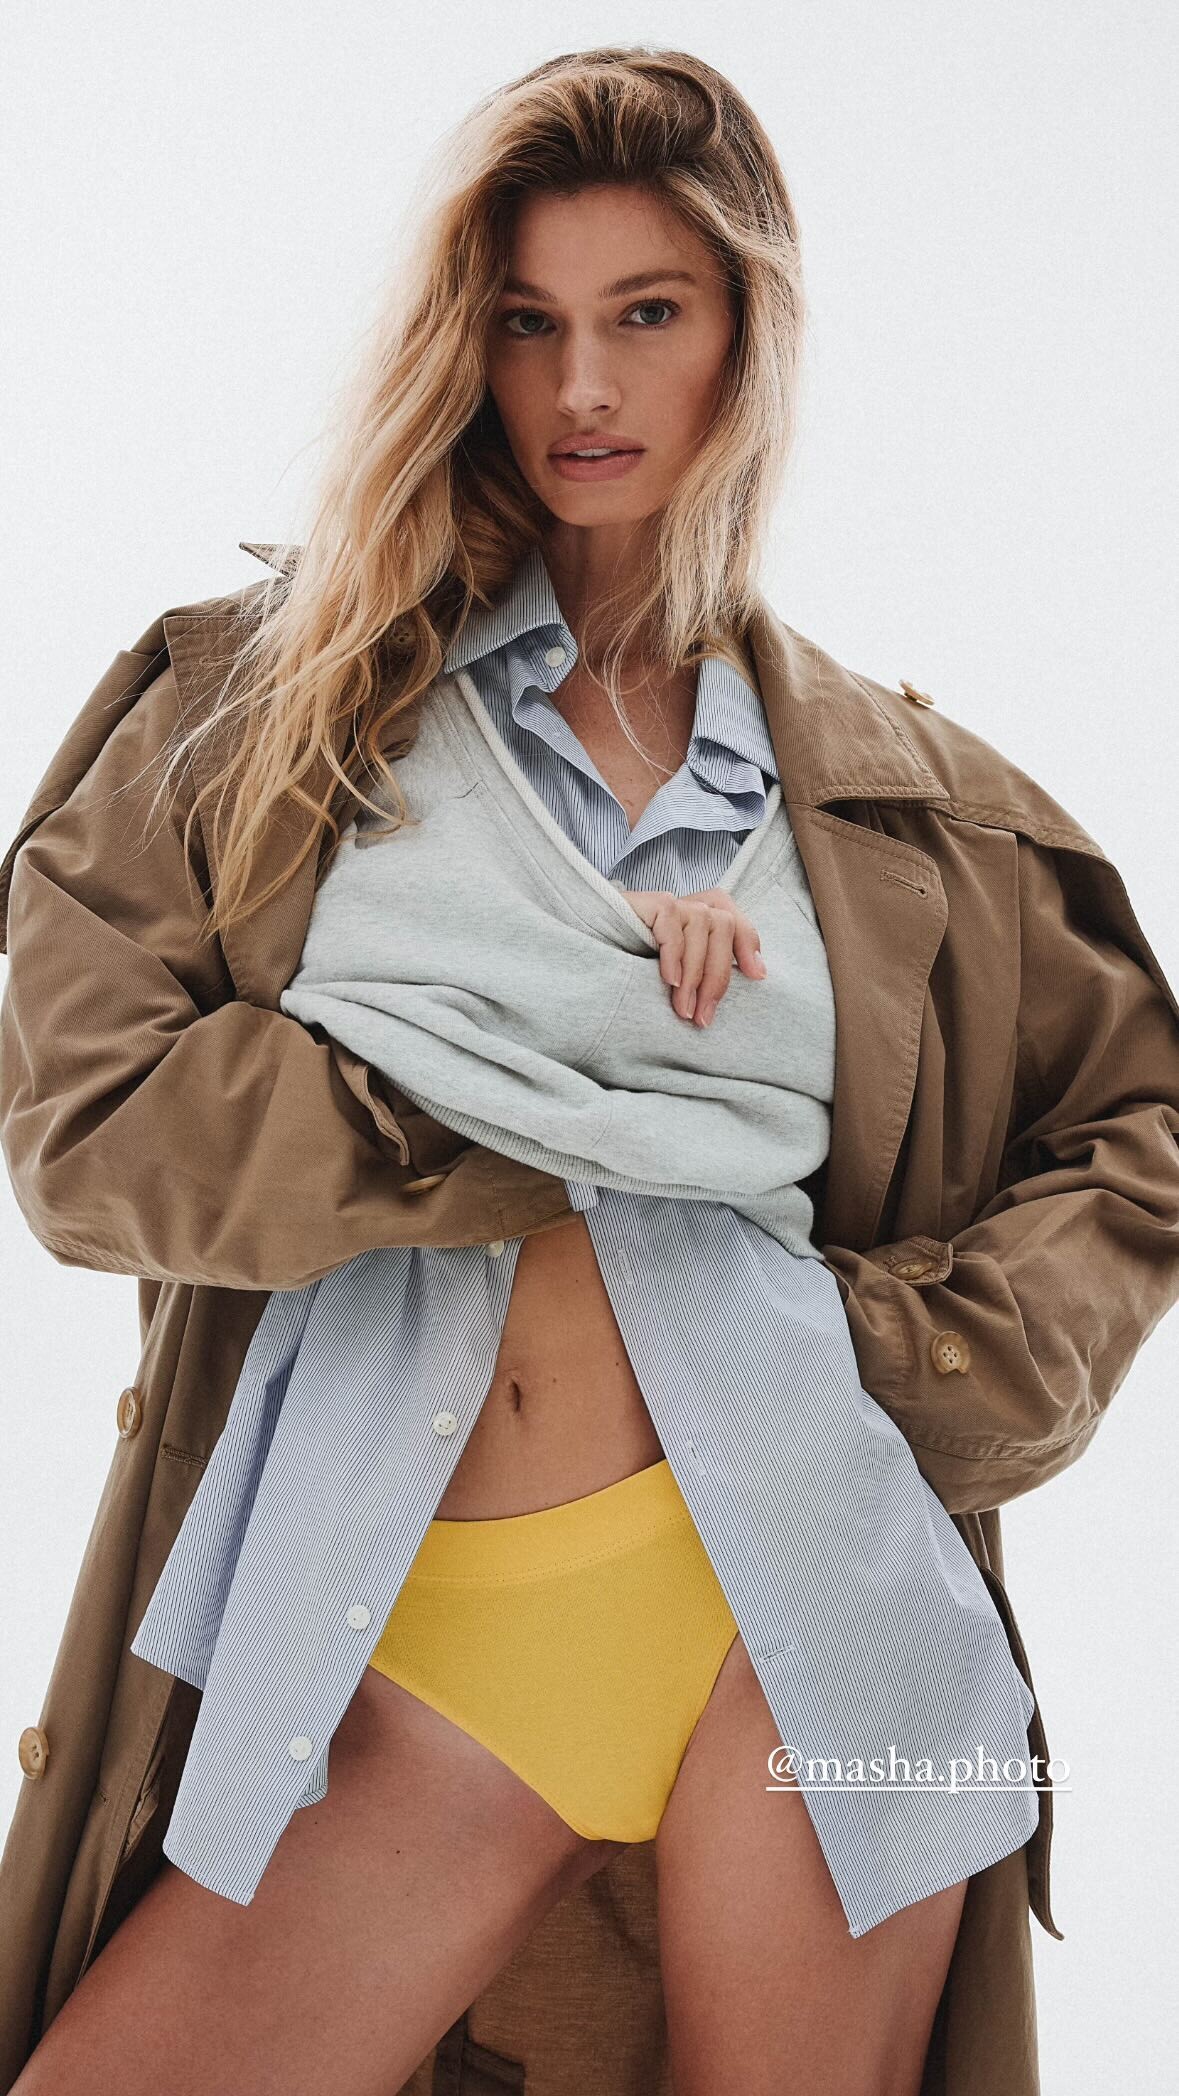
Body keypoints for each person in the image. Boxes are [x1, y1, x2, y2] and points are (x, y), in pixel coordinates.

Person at [4, 45, 1179, 2096]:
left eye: (647, 313)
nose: (583, 389)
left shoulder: (908, 805)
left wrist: (906, 1358)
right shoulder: (253, 711)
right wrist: (529, 1070)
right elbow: (85, 1128)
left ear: (745, 336)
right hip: (420, 1648)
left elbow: (1138, 1127)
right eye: (528, 321)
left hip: (831, 1641)